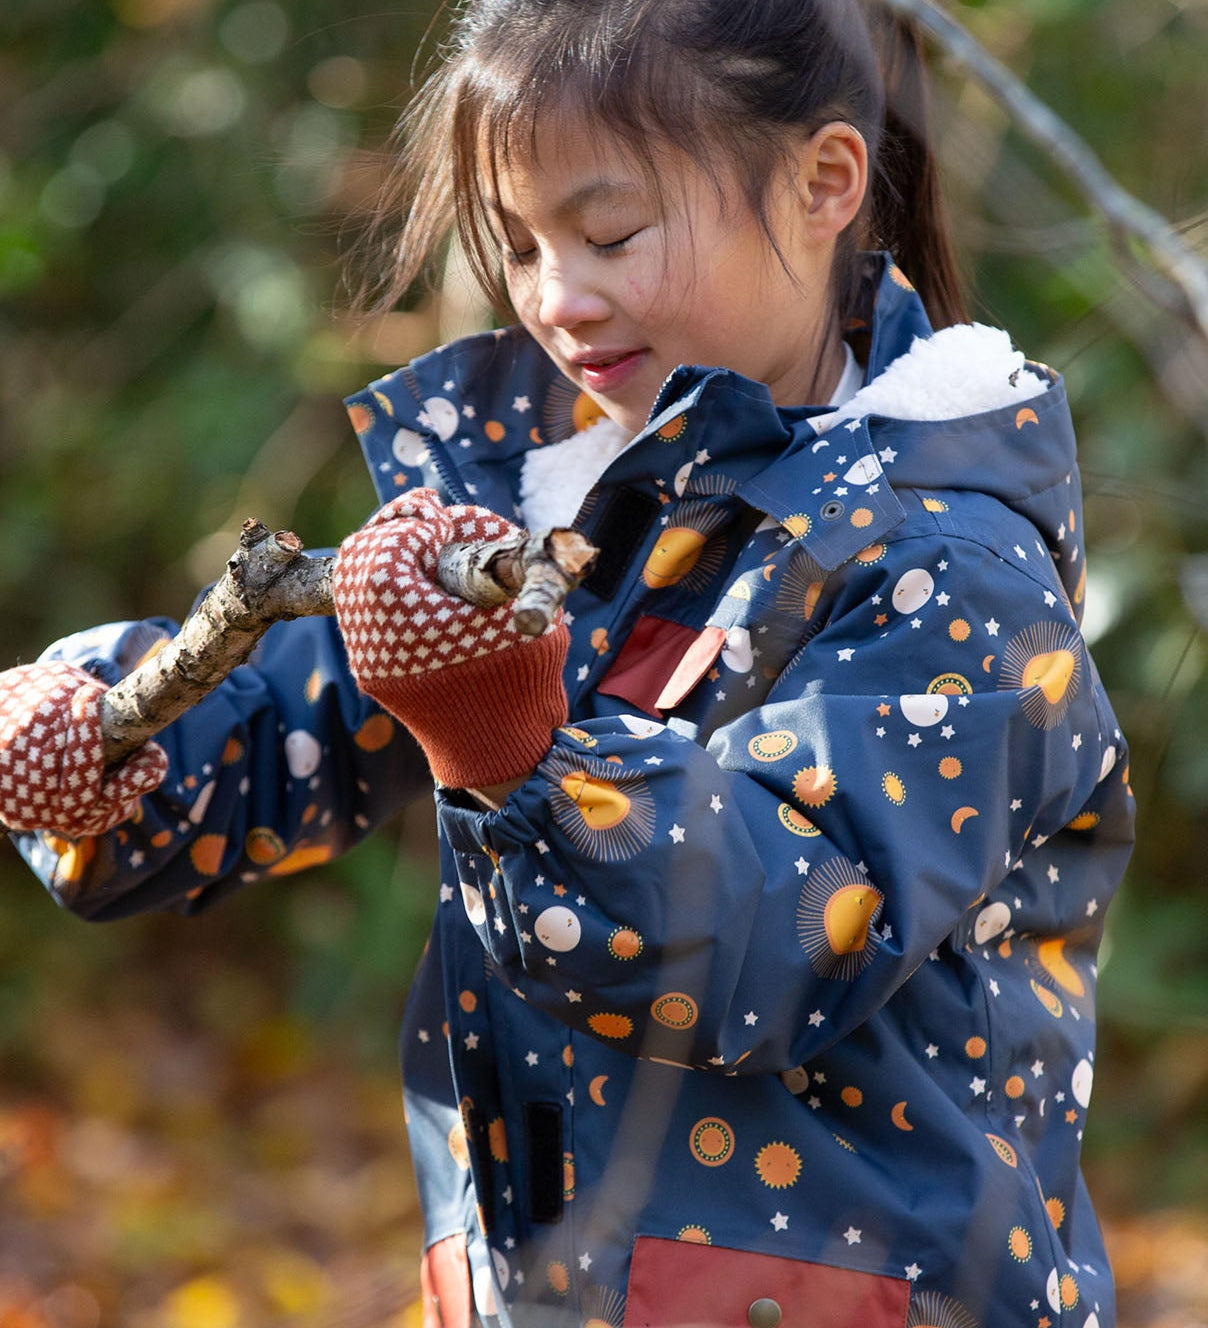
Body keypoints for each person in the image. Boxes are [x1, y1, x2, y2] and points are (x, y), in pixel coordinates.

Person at [0, 1, 1135, 1325]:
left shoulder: (943, 566)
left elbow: (775, 942)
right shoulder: (556, 501)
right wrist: (108, 733)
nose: (556, 300)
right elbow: (288, 721)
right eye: (520, 244)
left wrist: (511, 751)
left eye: (611, 235)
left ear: (825, 181)